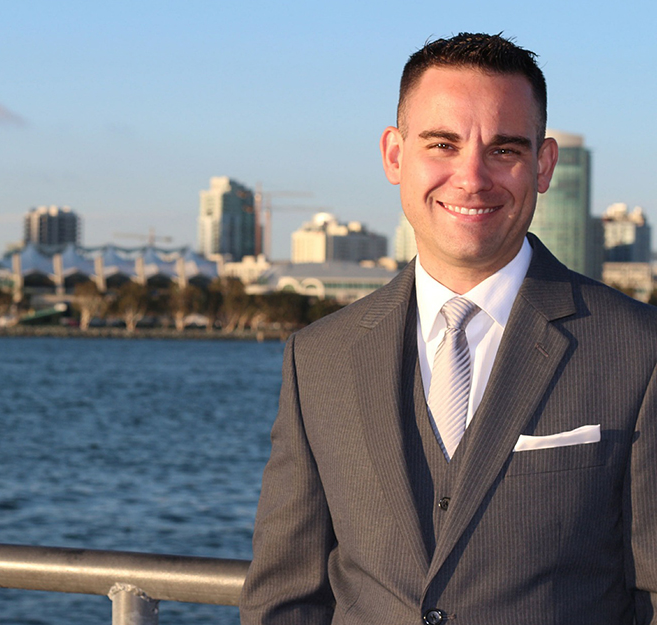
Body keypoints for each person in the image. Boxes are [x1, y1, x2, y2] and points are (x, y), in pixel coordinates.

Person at [240, 33, 657, 625]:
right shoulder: (319, 358)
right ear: (394, 155)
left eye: (505, 150)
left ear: (543, 165)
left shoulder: (640, 352)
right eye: (443, 143)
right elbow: (286, 597)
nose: (472, 177)